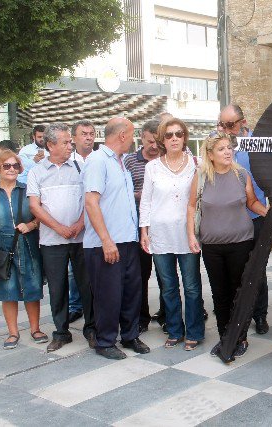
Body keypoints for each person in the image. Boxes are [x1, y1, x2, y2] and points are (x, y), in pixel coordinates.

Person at [187, 132, 267, 358]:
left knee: (237, 293)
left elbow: (251, 202)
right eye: (221, 149)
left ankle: (240, 337)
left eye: (229, 148)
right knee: (219, 294)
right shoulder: (201, 177)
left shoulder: (242, 174)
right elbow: (191, 206)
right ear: (210, 154)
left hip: (241, 242)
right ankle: (225, 336)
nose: (227, 152)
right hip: (211, 245)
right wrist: (191, 236)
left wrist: (267, 212)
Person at [82, 117, 149, 360]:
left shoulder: (120, 163)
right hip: (105, 244)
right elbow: (91, 202)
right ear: (122, 135)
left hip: (127, 240)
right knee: (108, 295)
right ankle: (105, 341)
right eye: (132, 135)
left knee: (132, 291)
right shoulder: (98, 161)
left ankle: (130, 336)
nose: (133, 140)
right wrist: (106, 240)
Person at [27, 123, 96, 352]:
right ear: (50, 145)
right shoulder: (37, 171)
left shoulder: (79, 167)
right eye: (65, 142)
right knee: (57, 288)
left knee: (87, 286)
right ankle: (61, 332)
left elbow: (90, 200)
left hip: (80, 238)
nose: (70, 145)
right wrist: (58, 228)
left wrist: (79, 224)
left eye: (70, 141)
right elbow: (35, 206)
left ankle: (91, 328)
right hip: (52, 241)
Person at [140, 118, 204, 350]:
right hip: (159, 234)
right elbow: (145, 201)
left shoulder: (197, 164)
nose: (174, 138)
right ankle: (175, 330)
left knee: (192, 287)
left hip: (188, 234)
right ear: (162, 140)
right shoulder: (152, 167)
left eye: (178, 134)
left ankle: (195, 331)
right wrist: (144, 231)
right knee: (168, 287)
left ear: (185, 137)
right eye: (169, 135)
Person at [0, 151, 45, 349]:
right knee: (7, 291)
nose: (11, 169)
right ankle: (13, 332)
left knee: (32, 288)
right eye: (6, 166)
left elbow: (40, 215)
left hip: (28, 244)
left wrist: (31, 225)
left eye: (15, 166)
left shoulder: (27, 190)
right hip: (0, 247)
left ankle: (35, 328)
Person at [216, 104, 270, 334]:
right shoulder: (218, 145)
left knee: (257, 267)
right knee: (234, 269)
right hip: (229, 219)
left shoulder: (259, 145)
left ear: (242, 122)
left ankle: (260, 315)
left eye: (230, 125)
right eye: (221, 124)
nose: (226, 129)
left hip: (255, 214)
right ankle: (239, 313)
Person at [125, 119, 166, 333]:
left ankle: (166, 314)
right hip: (139, 225)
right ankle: (141, 316)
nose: (154, 146)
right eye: (150, 141)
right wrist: (141, 195)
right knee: (140, 274)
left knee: (164, 273)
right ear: (142, 138)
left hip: (163, 224)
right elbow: (123, 193)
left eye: (157, 141)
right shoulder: (130, 161)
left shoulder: (166, 159)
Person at [67, 120, 97, 324]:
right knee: (74, 269)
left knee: (95, 267)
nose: (88, 137)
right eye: (84, 134)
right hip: (75, 225)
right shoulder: (68, 161)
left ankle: (95, 304)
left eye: (91, 134)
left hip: (96, 223)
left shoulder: (100, 158)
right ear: (74, 138)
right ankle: (76, 305)